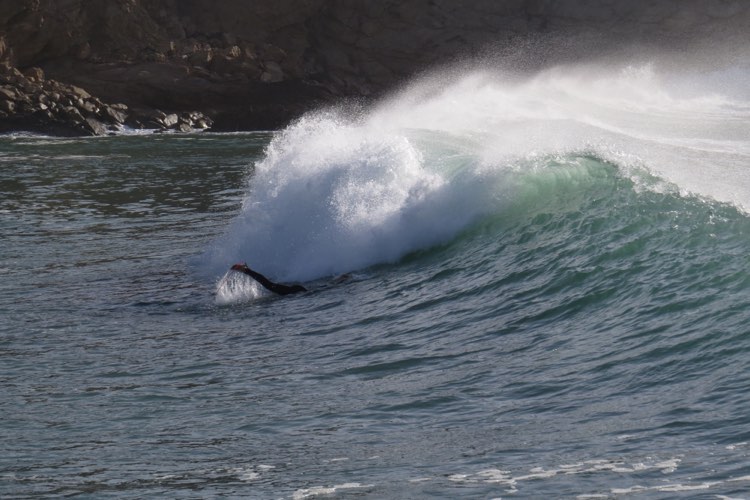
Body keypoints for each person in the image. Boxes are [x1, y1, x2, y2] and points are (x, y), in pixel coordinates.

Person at [230, 263, 307, 295]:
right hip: (291, 291)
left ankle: (246, 270)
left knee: (269, 284)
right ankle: (245, 270)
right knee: (268, 285)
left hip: (293, 290)